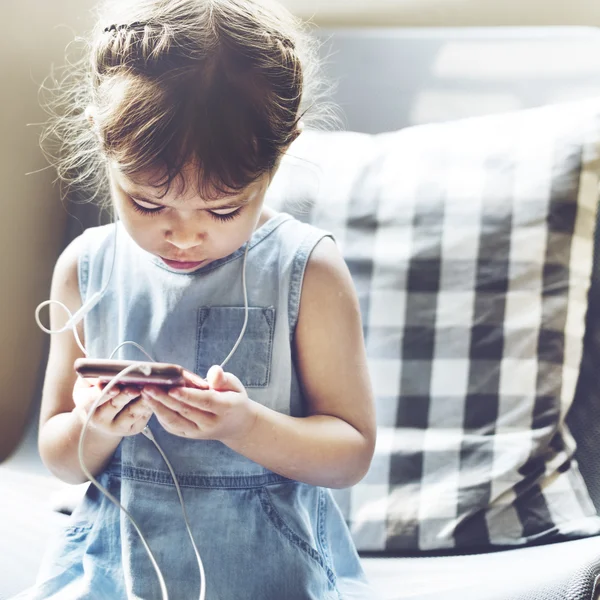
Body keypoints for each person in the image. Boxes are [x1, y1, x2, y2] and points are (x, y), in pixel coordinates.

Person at [18, 0, 377, 598]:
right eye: (149, 204)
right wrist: (95, 424)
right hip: (115, 574)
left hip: (270, 574)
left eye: (222, 209)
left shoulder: (306, 270)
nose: (184, 235)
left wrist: (246, 426)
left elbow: (350, 453)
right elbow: (59, 456)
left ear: (280, 155)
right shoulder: (85, 267)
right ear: (103, 145)